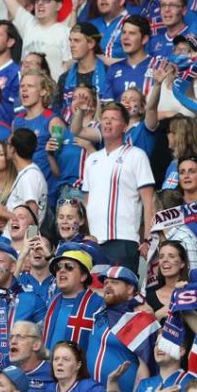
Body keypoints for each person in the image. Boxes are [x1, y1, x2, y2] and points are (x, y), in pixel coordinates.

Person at [82, 103, 155, 271]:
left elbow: (149, 201)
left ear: (125, 126)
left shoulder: (137, 155)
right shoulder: (92, 159)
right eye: (105, 118)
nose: (108, 122)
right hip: (94, 241)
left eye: (113, 119)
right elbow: (86, 202)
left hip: (124, 240)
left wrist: (148, 239)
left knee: (120, 286)